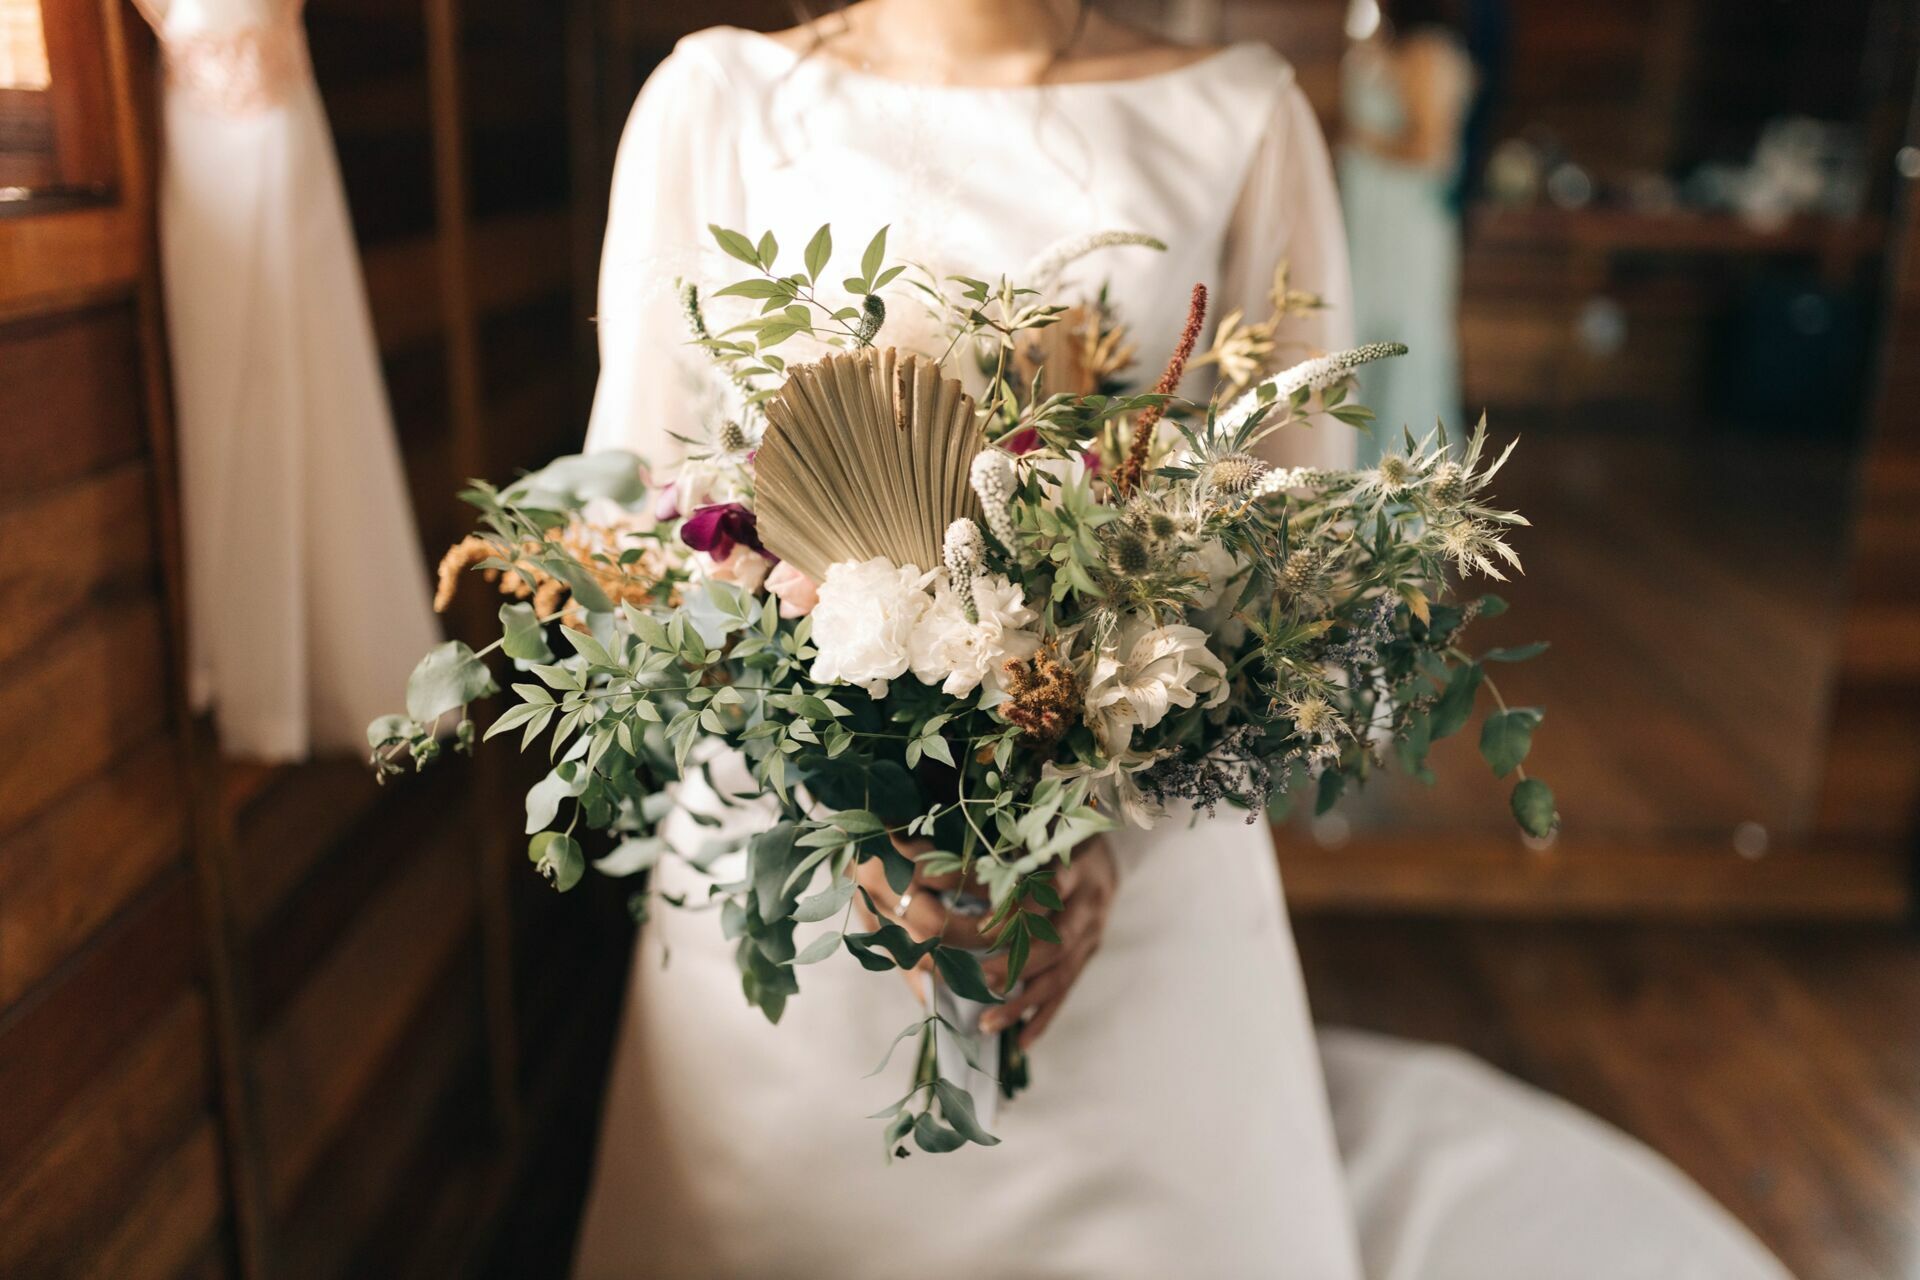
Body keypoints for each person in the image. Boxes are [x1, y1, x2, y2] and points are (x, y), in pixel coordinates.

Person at [573, 4, 1789, 1277]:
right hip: (800, 869)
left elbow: (1294, 563)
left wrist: (1102, 835)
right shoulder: (714, 100)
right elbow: (642, 531)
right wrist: (846, 801)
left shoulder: (1236, 114)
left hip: (1136, 853)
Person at [1339, 0, 1474, 463]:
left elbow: (1433, 149)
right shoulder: (1386, 44)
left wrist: (1360, 140)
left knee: (1403, 335)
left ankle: (1405, 468)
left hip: (1404, 227)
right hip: (1372, 223)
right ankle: (1355, 463)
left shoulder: (1429, 50)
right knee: (1365, 332)